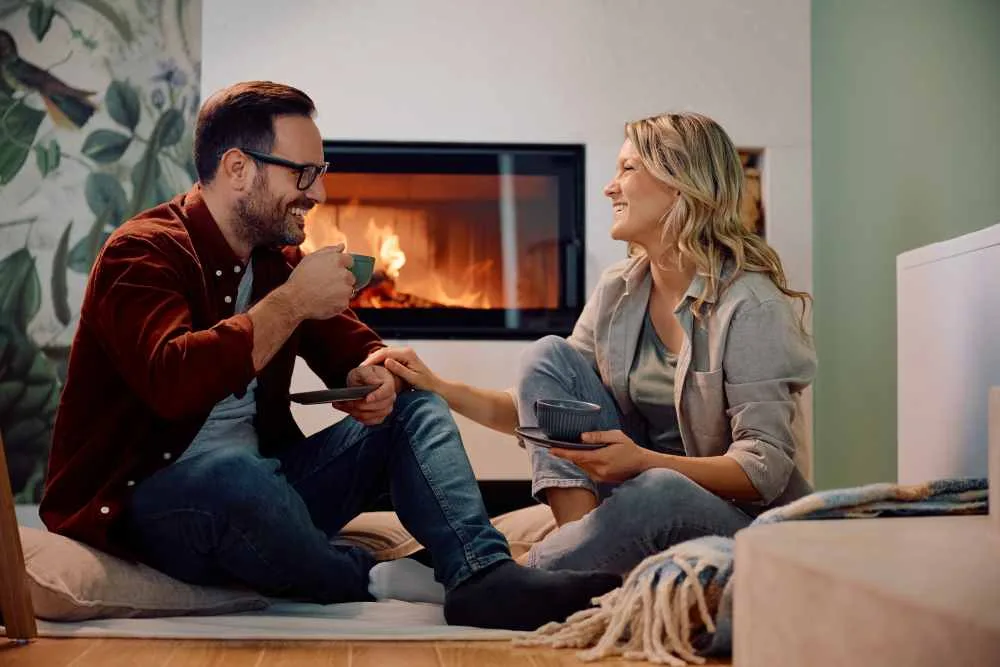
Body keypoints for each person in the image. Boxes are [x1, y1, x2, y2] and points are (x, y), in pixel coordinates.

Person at [39, 81, 620, 630]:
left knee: (412, 399)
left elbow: (351, 342)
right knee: (231, 475)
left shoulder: (274, 260)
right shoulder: (141, 254)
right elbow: (172, 382)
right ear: (238, 168)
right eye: (305, 173)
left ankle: (481, 574)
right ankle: (365, 574)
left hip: (270, 490)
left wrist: (373, 371)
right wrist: (291, 303)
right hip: (152, 502)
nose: (318, 193)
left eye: (322, 172)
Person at [367, 111, 816, 576]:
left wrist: (642, 462)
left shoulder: (750, 305)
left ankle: (508, 573)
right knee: (546, 354)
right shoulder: (619, 289)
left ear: (680, 183)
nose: (609, 187)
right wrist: (438, 387)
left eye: (628, 168)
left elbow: (763, 467)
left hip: (736, 522)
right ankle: (573, 558)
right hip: (632, 500)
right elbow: (544, 408)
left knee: (660, 488)